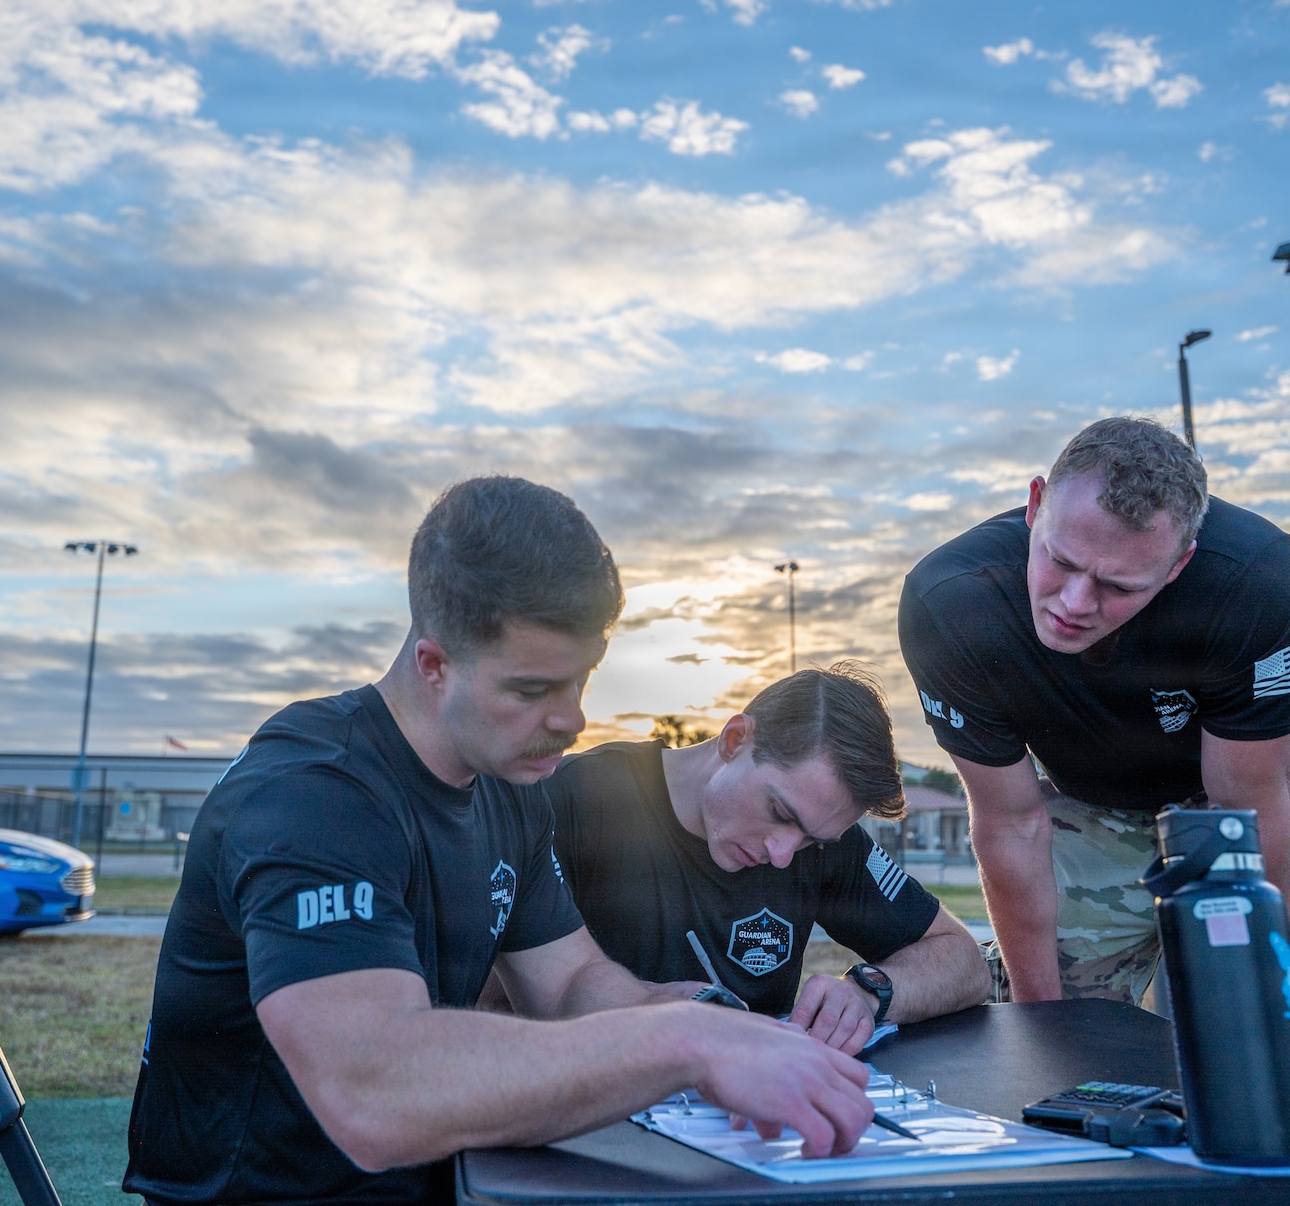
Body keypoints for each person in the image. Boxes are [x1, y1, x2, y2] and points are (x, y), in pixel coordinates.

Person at [125, 478, 874, 1205]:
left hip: (438, 1176)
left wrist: (704, 1018)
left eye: (581, 680)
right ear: (434, 665)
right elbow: (373, 1093)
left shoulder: (508, 787)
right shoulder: (313, 790)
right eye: (531, 689)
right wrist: (683, 1044)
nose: (572, 720)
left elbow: (571, 983)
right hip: (274, 1191)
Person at [899, 416, 1290, 1062]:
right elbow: (1011, 824)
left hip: (1225, 800)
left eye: (1118, 586)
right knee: (1062, 1051)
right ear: (1035, 505)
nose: (1073, 602)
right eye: (1060, 560)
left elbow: (1249, 811)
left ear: (1179, 564)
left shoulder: (1254, 583)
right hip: (1082, 804)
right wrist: (1042, 1024)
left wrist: (1284, 1012)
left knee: (1279, 1055)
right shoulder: (952, 602)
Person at [538, 663, 991, 1055]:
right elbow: (509, 996)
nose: (782, 854)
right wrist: (652, 1011)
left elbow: (964, 962)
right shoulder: (573, 799)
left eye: (810, 840)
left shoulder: (824, 836)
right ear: (735, 740)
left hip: (758, 1110)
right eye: (779, 812)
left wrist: (868, 993)